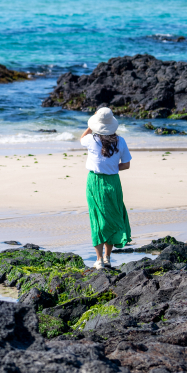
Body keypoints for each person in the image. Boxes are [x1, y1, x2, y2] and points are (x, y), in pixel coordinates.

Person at [80, 106, 132, 269]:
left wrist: (91, 124)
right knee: (112, 217)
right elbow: (126, 165)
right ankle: (107, 258)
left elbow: (82, 138)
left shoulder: (91, 139)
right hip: (113, 182)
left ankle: (98, 260)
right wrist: (111, 168)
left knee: (97, 218)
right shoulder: (120, 141)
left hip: (95, 181)